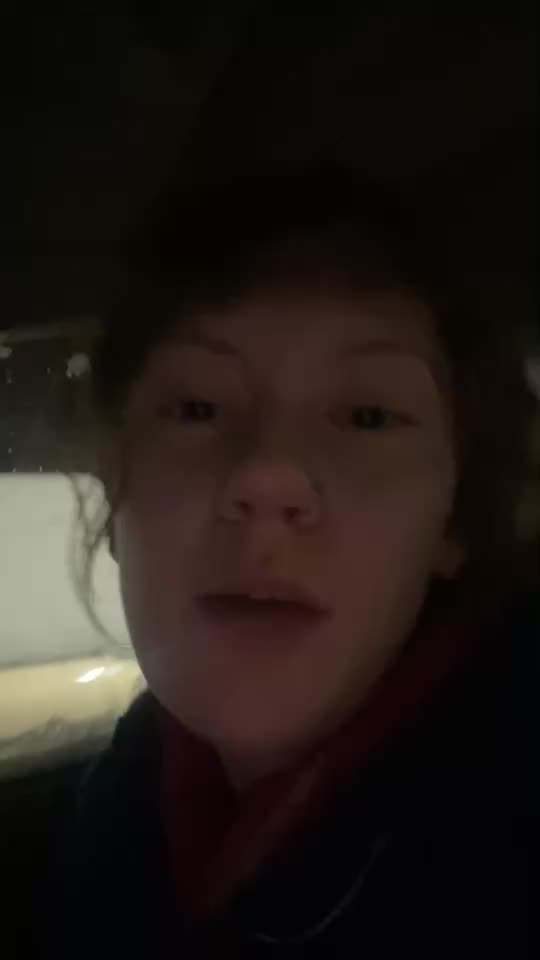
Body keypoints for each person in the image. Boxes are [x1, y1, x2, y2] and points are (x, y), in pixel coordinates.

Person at [47, 174, 538, 957]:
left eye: (368, 417)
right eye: (197, 409)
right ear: (116, 488)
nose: (266, 476)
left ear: (454, 521)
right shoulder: (124, 799)